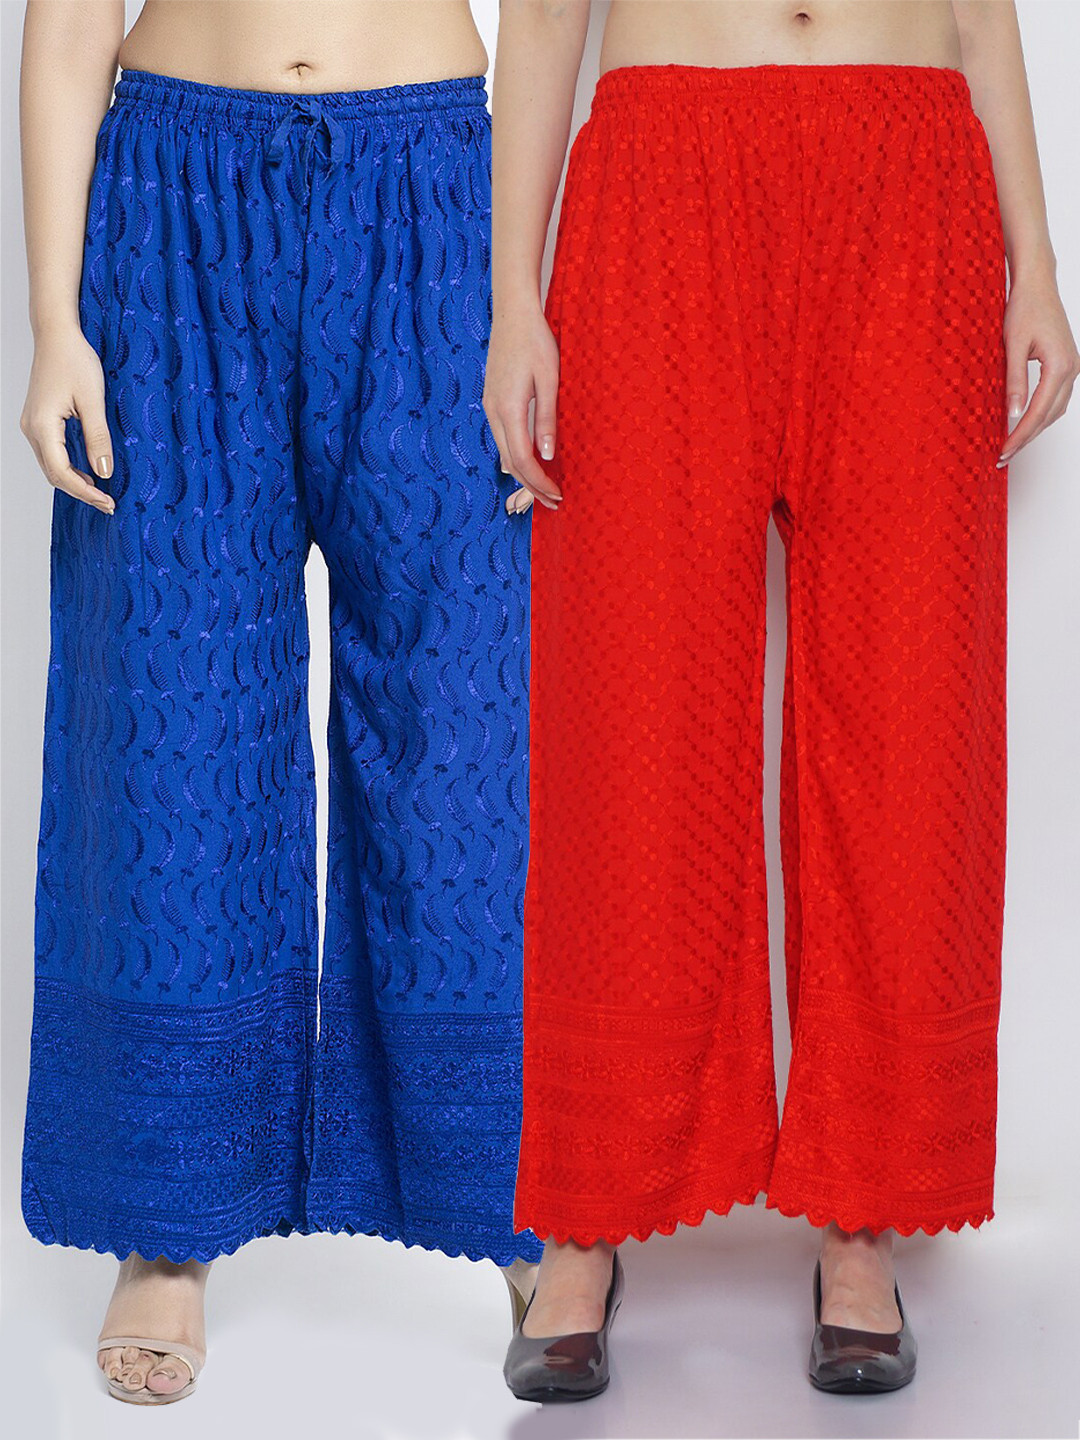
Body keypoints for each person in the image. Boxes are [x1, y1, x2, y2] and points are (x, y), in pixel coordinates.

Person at [484, 0, 1078, 1402]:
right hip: (661, 177)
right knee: (627, 710)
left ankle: (861, 1217)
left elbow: (984, 12)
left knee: (909, 714)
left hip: (913, 185)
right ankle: (587, 1210)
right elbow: (546, 12)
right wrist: (515, 300)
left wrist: (1038, 262)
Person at [18, 0, 541, 1406]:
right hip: (172, 202)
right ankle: (166, 1225)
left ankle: (516, 1190)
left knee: (465, 725)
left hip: (436, 193)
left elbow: (557, 18)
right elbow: (67, 27)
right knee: (173, 722)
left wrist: (541, 295)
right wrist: (54, 322)